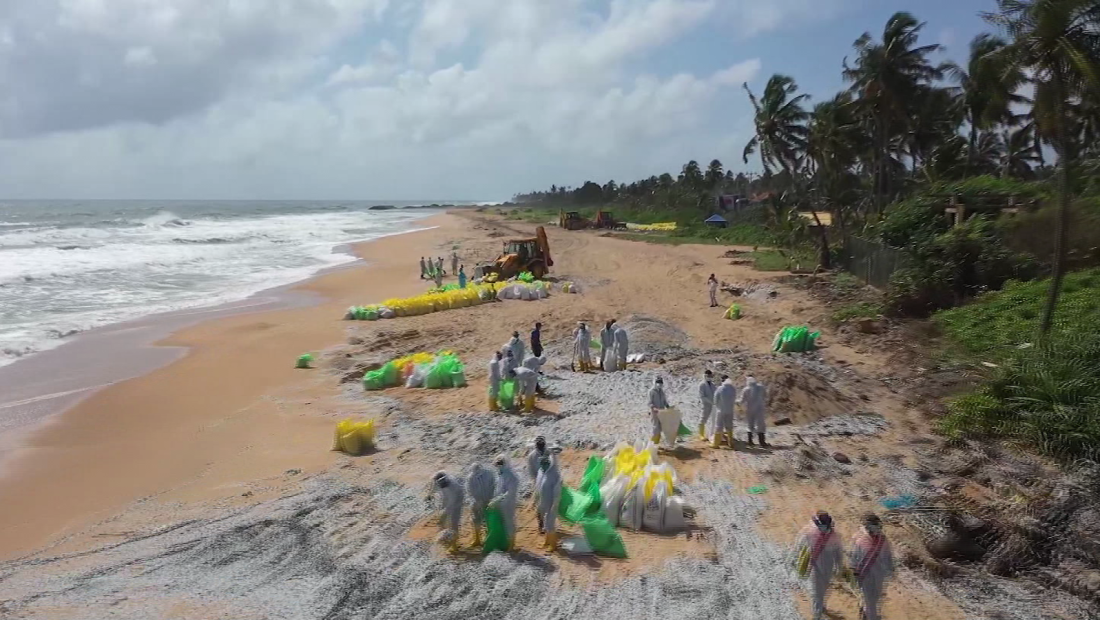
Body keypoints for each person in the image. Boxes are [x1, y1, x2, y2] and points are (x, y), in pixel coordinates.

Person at [794, 511, 845, 620]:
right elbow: (800, 546)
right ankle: (817, 614)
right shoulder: (809, 533)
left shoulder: (835, 536)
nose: (822, 528)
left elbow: (838, 553)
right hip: (815, 567)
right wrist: (798, 559)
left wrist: (838, 567)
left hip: (828, 567)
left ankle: (821, 606)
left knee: (825, 590)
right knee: (817, 593)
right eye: (820, 526)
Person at [848, 514, 894, 620]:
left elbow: (888, 555)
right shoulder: (859, 539)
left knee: (876, 598)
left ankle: (866, 611)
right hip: (864, 575)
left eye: (878, 526)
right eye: (874, 526)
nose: (877, 529)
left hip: (879, 575)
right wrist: (853, 570)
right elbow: (853, 556)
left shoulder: (883, 540)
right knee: (870, 601)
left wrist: (890, 569)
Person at [428, 471, 465, 552]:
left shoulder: (453, 487)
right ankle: (444, 538)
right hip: (446, 499)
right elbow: (434, 487)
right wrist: (429, 495)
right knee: (442, 521)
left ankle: (454, 544)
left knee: (453, 523)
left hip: (456, 504)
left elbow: (451, 503)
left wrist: (444, 512)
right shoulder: (438, 481)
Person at [490, 455, 520, 551]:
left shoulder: (511, 476)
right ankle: (505, 542)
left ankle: (512, 545)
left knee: (509, 522)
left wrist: (497, 500)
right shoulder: (501, 474)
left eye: (500, 464)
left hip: (508, 503)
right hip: (500, 503)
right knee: (502, 522)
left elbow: (509, 492)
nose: (498, 466)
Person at [534, 453, 562, 550]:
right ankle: (547, 542)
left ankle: (553, 545)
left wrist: (555, 503)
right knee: (546, 523)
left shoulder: (554, 474)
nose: (543, 465)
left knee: (550, 524)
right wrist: (536, 499)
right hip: (543, 502)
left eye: (545, 463)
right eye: (541, 464)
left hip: (551, 503)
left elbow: (557, 491)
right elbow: (538, 486)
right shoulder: (541, 472)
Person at [466, 463, 496, 547]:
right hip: (477, 502)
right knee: (476, 521)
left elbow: (493, 486)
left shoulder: (489, 474)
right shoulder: (471, 478)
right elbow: (469, 491)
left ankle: (488, 539)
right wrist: (475, 501)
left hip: (488, 501)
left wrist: (492, 499)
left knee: (488, 521)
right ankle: (477, 539)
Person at [738, 376, 768, 447]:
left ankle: (750, 441)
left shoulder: (746, 389)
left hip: (750, 409)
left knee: (750, 424)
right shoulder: (761, 387)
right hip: (759, 409)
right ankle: (762, 442)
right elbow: (765, 396)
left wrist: (736, 402)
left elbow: (742, 400)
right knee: (760, 425)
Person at [712, 374, 737, 448]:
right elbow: (734, 399)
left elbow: (715, 399)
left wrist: (718, 406)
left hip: (721, 410)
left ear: (722, 380)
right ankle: (730, 443)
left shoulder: (720, 388)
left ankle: (716, 444)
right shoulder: (733, 388)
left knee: (719, 426)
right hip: (730, 411)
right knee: (729, 426)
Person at [648, 376, 670, 444]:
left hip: (661, 412)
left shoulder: (661, 391)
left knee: (660, 428)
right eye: (658, 382)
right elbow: (649, 402)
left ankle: (657, 443)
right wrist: (653, 408)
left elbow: (664, 400)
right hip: (654, 413)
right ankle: (653, 443)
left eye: (661, 383)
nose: (659, 384)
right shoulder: (651, 391)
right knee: (655, 428)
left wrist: (667, 406)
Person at [698, 370, 716, 439]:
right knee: (703, 418)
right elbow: (702, 396)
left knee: (713, 419)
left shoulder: (712, 384)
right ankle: (701, 434)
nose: (709, 377)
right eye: (708, 376)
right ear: (705, 376)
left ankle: (711, 433)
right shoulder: (702, 385)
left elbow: (716, 393)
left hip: (713, 405)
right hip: (705, 404)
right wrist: (710, 401)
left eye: (710, 376)